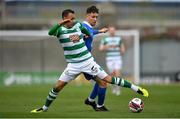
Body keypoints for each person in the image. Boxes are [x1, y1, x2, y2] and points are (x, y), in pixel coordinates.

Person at [31, 9, 149, 113]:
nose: (73, 20)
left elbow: (88, 32)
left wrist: (86, 35)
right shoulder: (60, 30)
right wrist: (61, 23)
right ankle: (44, 108)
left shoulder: (78, 25)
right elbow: (50, 32)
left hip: (88, 62)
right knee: (57, 87)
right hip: (73, 65)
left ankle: (136, 88)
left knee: (107, 79)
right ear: (64, 18)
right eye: (71, 18)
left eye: (74, 18)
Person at [82, 6, 109, 111]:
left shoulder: (88, 27)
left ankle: (91, 100)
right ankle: (98, 105)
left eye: (97, 17)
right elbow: (82, 34)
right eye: (93, 16)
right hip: (84, 62)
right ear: (87, 16)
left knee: (101, 80)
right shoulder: (83, 27)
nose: (95, 19)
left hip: (87, 60)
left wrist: (100, 31)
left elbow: (91, 32)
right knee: (103, 81)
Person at [99, 26, 125, 96]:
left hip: (117, 58)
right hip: (109, 59)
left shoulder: (119, 39)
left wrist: (122, 50)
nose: (112, 31)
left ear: (115, 31)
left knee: (117, 73)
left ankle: (118, 89)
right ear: (109, 31)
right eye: (111, 30)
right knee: (112, 75)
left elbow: (122, 49)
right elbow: (101, 49)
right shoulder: (105, 39)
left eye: (113, 30)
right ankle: (114, 87)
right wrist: (107, 47)